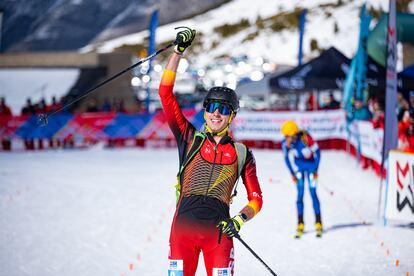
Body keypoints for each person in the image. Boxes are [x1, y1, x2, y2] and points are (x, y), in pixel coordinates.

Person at [159, 28, 263, 276]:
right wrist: (177, 52)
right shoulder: (189, 138)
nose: (217, 113)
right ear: (205, 111)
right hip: (182, 232)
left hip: (218, 237)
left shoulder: (242, 154)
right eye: (212, 107)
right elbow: (165, 93)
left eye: (224, 109)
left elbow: (256, 199)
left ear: (232, 116)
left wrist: (239, 219)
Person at [281, 120, 322, 238]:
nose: (286, 139)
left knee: (313, 193)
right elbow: (286, 159)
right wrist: (292, 174)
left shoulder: (306, 139)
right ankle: (300, 224)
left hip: (311, 168)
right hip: (299, 169)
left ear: (293, 135)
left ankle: (318, 222)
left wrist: (315, 170)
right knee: (299, 195)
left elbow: (318, 153)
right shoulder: (285, 143)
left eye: (287, 136)